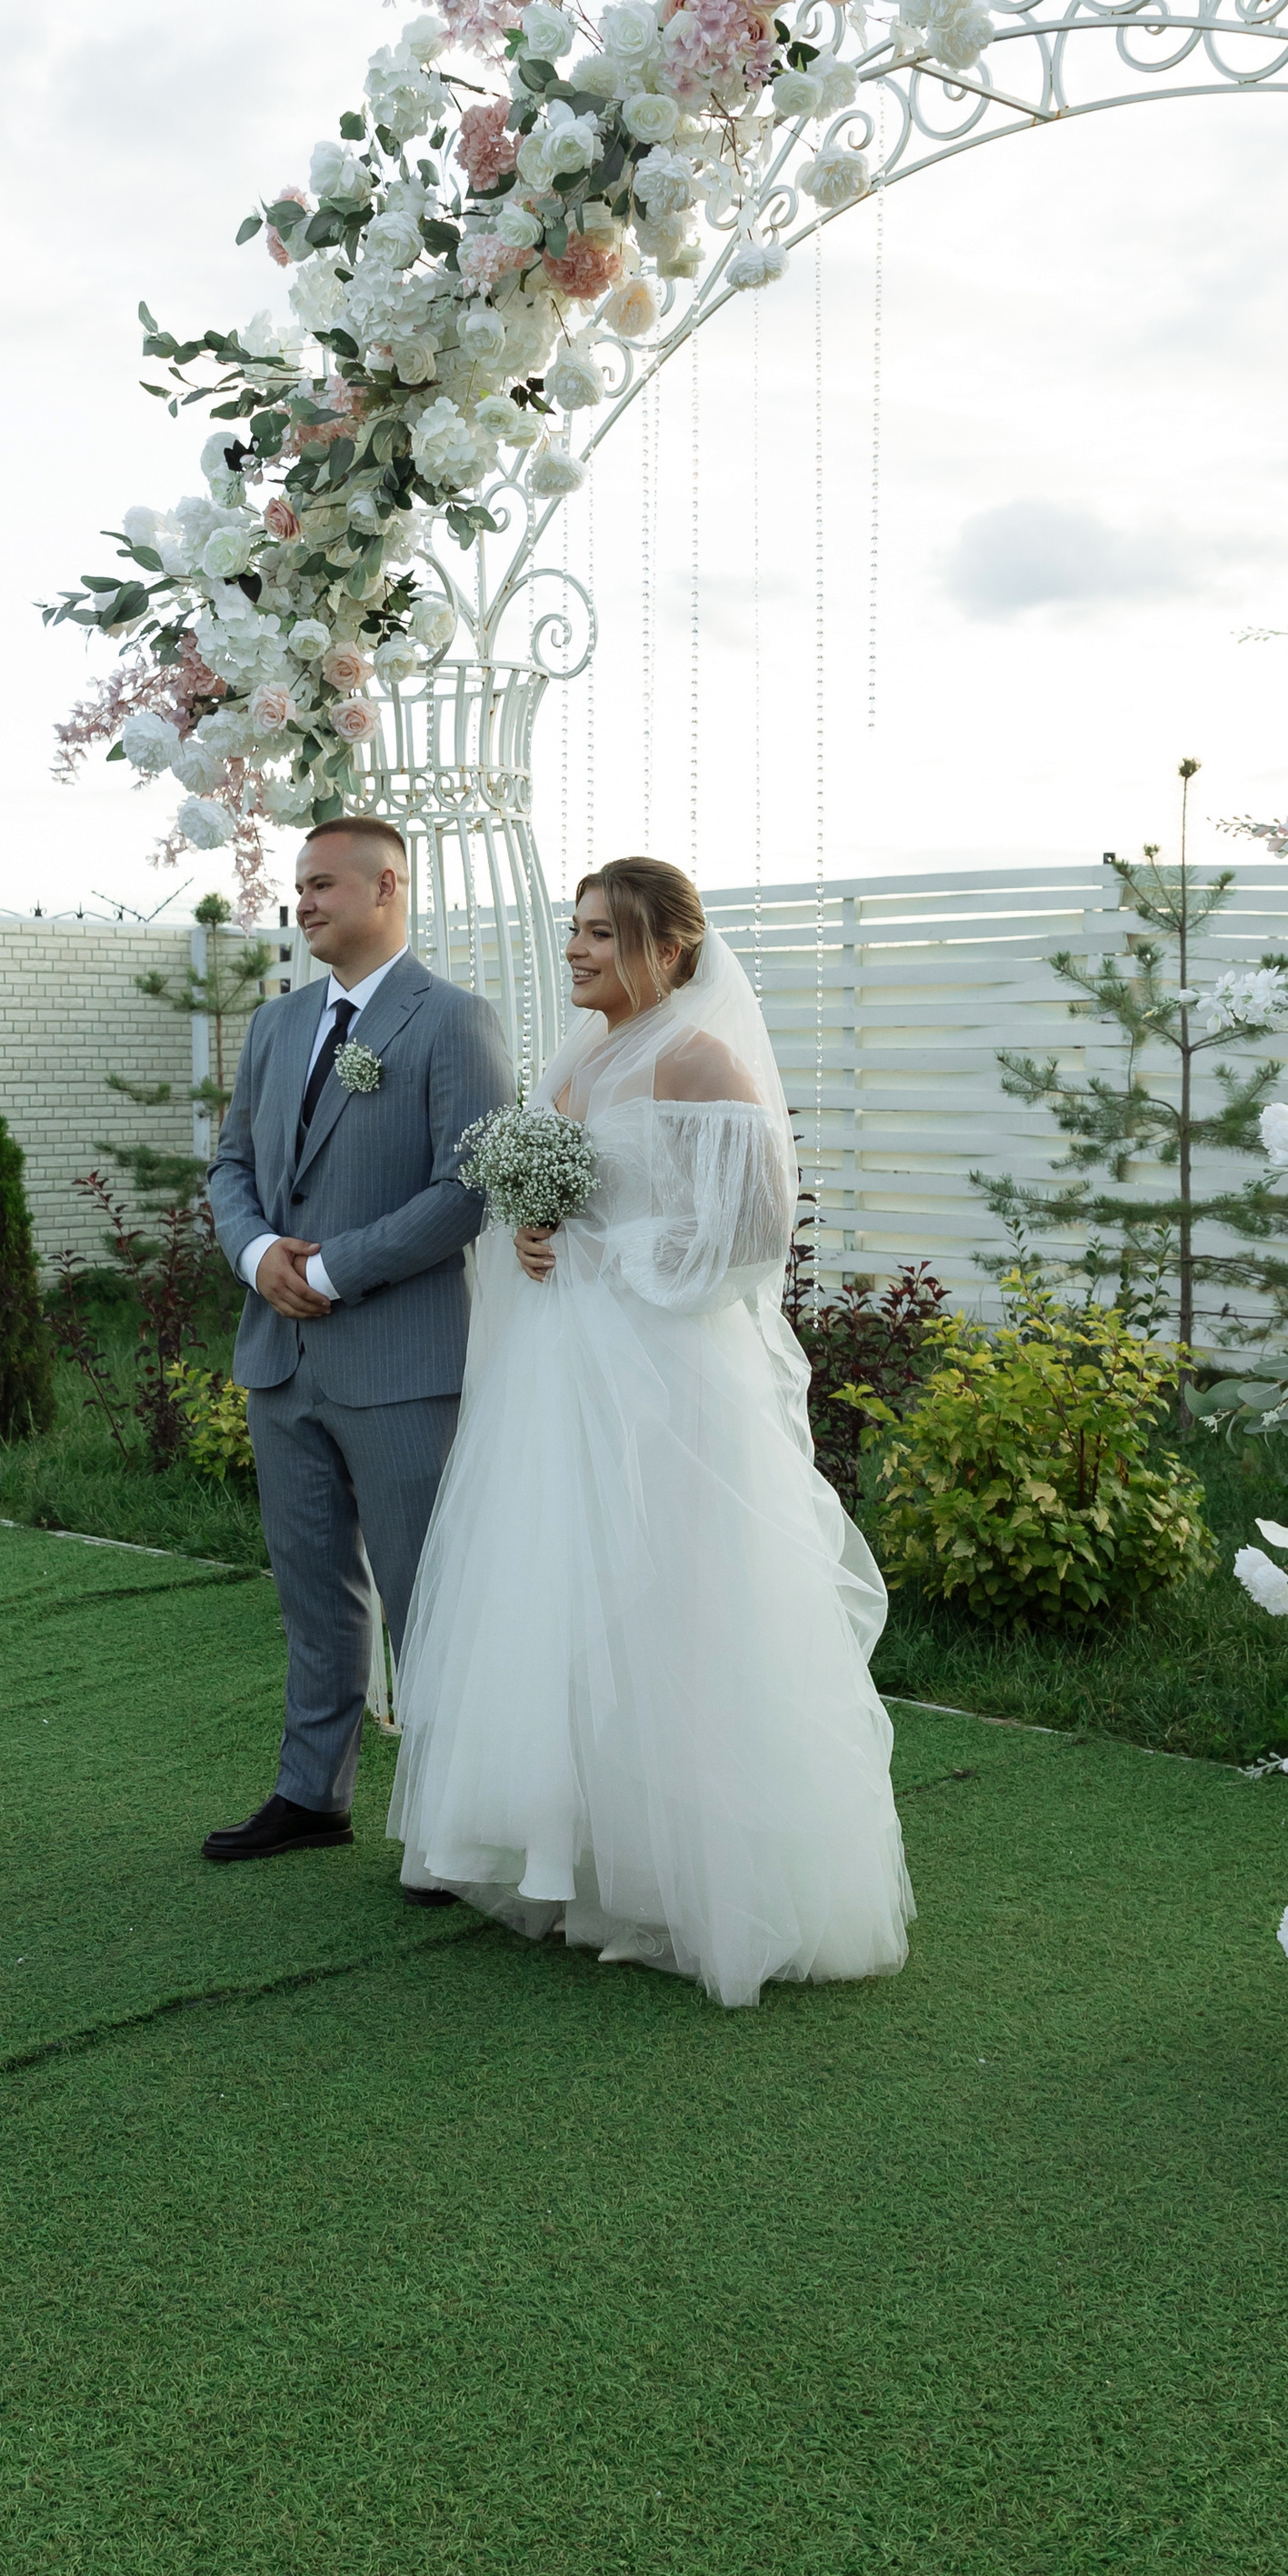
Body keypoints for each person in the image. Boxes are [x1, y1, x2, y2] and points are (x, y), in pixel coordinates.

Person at [388, 858, 914, 2007]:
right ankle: (578, 1856)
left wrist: (599, 1254)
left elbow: (752, 1236)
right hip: (562, 1370)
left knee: (669, 1600)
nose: (575, 951)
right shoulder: (580, 1056)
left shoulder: (698, 1056)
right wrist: (535, 1234)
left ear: (671, 949)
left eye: (600, 934)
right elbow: (571, 1200)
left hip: (664, 1379)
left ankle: (691, 1884)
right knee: (562, 1594)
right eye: (573, 931)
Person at [203, 817, 514, 1862]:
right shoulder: (275, 1025)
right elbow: (230, 1167)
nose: (302, 901)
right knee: (310, 1589)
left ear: (387, 885)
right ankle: (312, 1797)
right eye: (297, 884)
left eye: (322, 883)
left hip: (399, 1365)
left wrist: (328, 1268)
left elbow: (467, 1190)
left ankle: (447, 1827)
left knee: (428, 1602)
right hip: (279, 1358)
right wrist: (258, 1260)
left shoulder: (454, 1021)